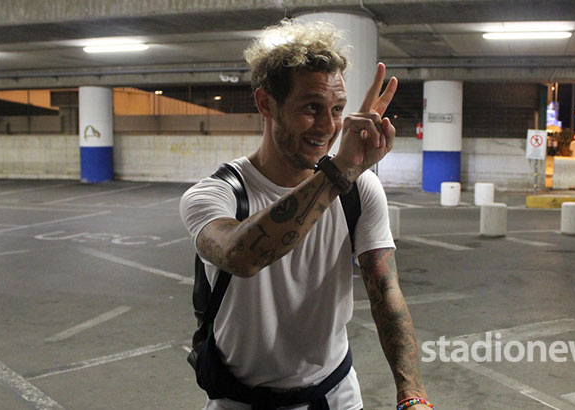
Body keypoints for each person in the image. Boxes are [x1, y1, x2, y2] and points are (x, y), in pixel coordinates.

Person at [180, 20, 431, 410]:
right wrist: (339, 171)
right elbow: (240, 256)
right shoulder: (218, 194)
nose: (328, 127)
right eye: (312, 108)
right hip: (239, 401)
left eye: (337, 109)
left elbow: (385, 292)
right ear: (266, 104)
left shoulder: (358, 189)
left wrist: (412, 394)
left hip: (334, 396)